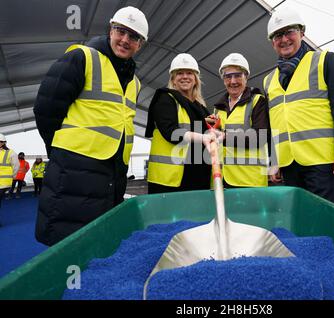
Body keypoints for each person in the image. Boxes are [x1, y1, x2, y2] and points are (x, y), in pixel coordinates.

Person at [33, 6, 148, 246]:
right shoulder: (81, 57)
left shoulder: (135, 82)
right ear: (110, 30)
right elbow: (47, 109)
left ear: (140, 44)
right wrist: (62, 153)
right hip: (74, 171)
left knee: (98, 243)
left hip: (112, 173)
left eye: (133, 36)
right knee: (67, 244)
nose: (125, 40)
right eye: (121, 31)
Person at [263, 7, 334, 203]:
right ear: (273, 43)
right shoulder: (269, 80)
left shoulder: (324, 61)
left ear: (302, 33)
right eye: (277, 35)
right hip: (288, 163)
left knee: (320, 216)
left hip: (320, 161)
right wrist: (275, 161)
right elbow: (273, 125)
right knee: (297, 213)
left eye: (290, 31)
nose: (284, 39)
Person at [145, 53, 217, 194]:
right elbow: (170, 131)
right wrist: (202, 137)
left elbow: (198, 127)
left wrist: (210, 123)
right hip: (171, 180)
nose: (185, 76)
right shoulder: (165, 99)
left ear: (195, 79)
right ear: (173, 79)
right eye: (180, 73)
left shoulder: (200, 107)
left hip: (197, 177)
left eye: (189, 73)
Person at [213, 53, 270, 187]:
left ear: (246, 77)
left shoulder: (257, 101)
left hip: (249, 180)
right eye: (228, 76)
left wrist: (224, 136)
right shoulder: (218, 108)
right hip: (222, 178)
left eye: (238, 75)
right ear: (223, 79)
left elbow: (260, 137)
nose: (233, 81)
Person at [0, 134, 19, 225]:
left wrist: (12, 177)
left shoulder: (11, 153)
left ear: (4, 142)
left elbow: (16, 166)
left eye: (1, 141)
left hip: (4, 182)